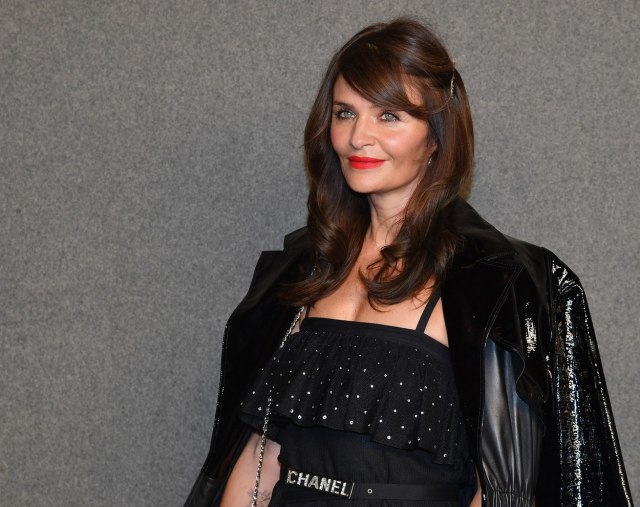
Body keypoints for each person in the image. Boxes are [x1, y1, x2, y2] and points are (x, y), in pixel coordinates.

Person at [184, 18, 632, 507]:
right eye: (345, 113)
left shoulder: (492, 283)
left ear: (436, 136)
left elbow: (504, 489)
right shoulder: (302, 271)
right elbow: (261, 457)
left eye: (389, 115)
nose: (358, 137)